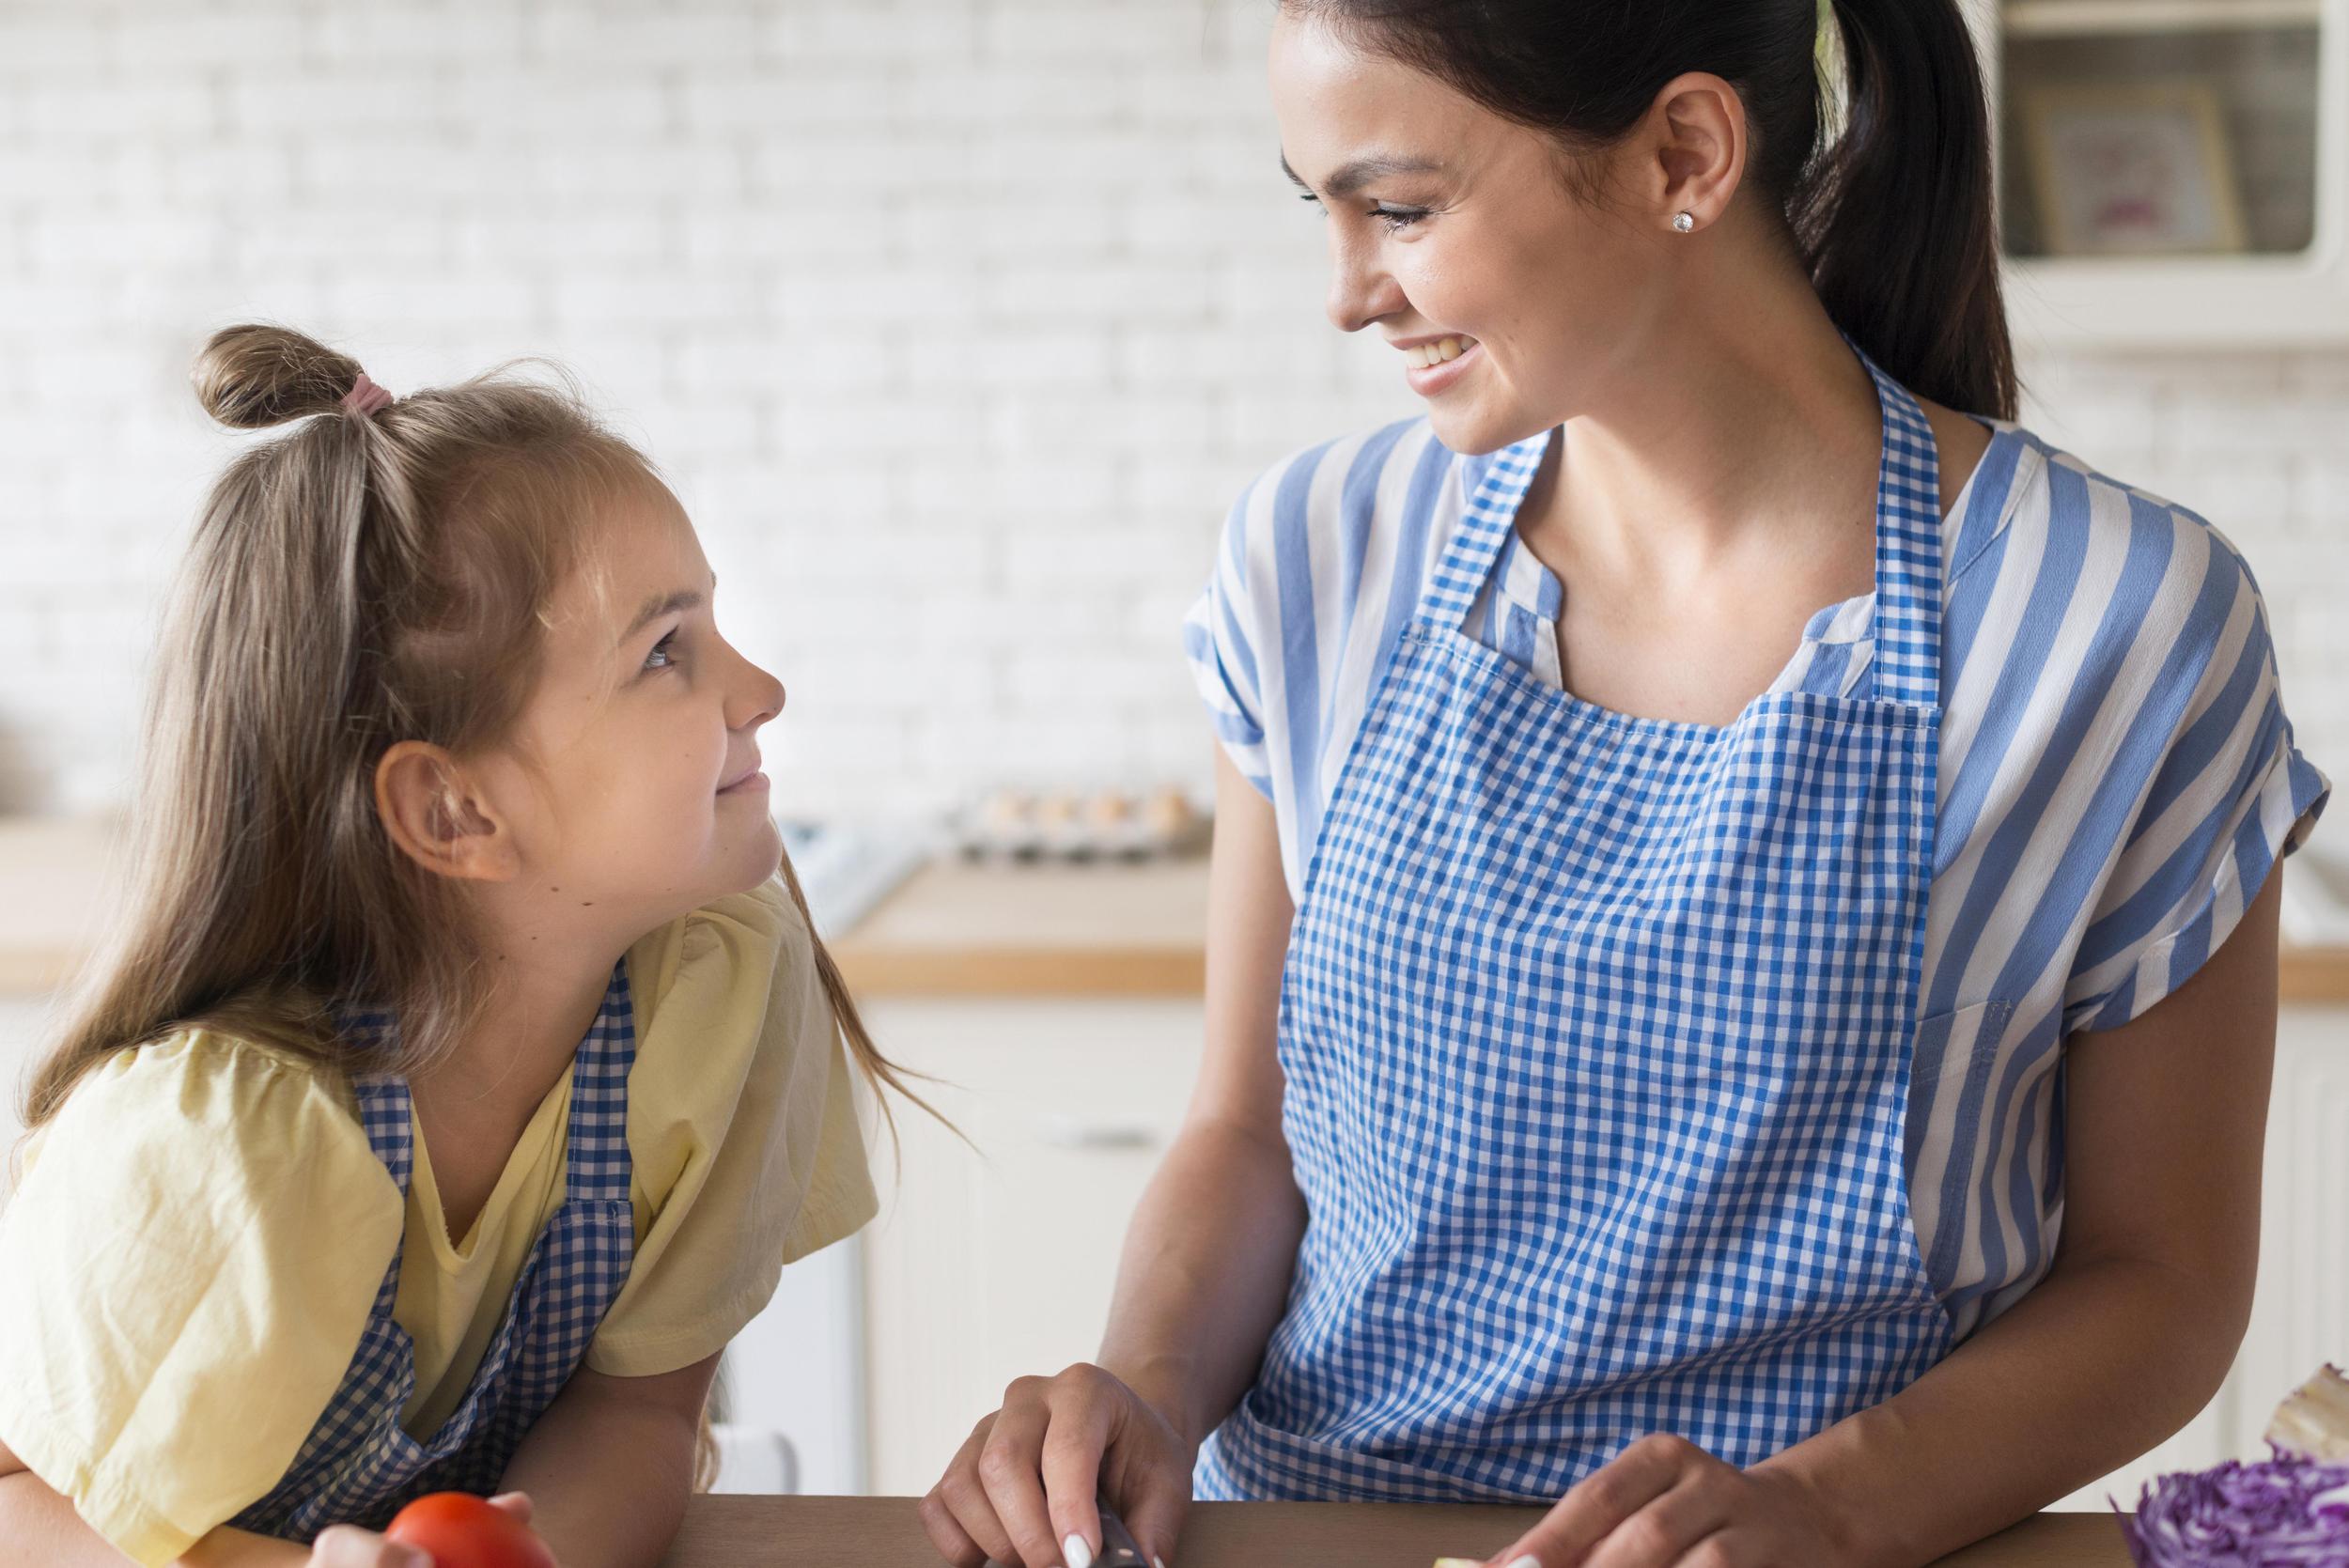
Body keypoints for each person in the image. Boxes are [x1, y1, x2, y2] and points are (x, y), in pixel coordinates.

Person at [922, 3, 2330, 1567]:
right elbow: (1247, 1136)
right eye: (1316, 205)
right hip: (1321, 1534)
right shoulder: (1317, 555)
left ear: (1683, 153)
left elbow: (2163, 1282)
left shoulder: (2110, 623)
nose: (1344, 292)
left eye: (1399, 208)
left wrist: (1825, 1506)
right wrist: (1145, 1391)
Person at [0, 325, 911, 1568]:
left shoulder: (723, 984)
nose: (759, 691)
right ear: (452, 811)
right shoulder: (221, 1144)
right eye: (667, 653)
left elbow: (635, 1413)